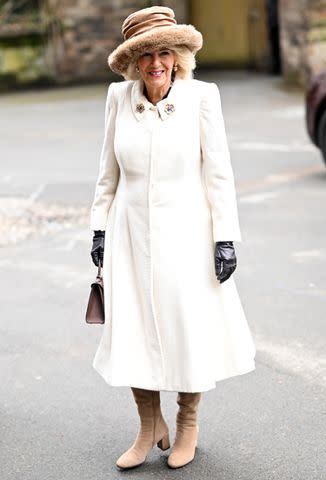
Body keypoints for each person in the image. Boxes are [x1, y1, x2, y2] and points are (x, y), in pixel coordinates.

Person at [89, 5, 256, 471]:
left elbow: (219, 173)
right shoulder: (117, 98)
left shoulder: (204, 96)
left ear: (178, 56)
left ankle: (187, 424)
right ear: (133, 63)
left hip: (187, 231)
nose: (156, 62)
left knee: (186, 328)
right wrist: (98, 229)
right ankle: (148, 426)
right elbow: (107, 174)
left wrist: (225, 237)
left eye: (165, 52)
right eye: (145, 55)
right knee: (133, 329)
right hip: (129, 233)